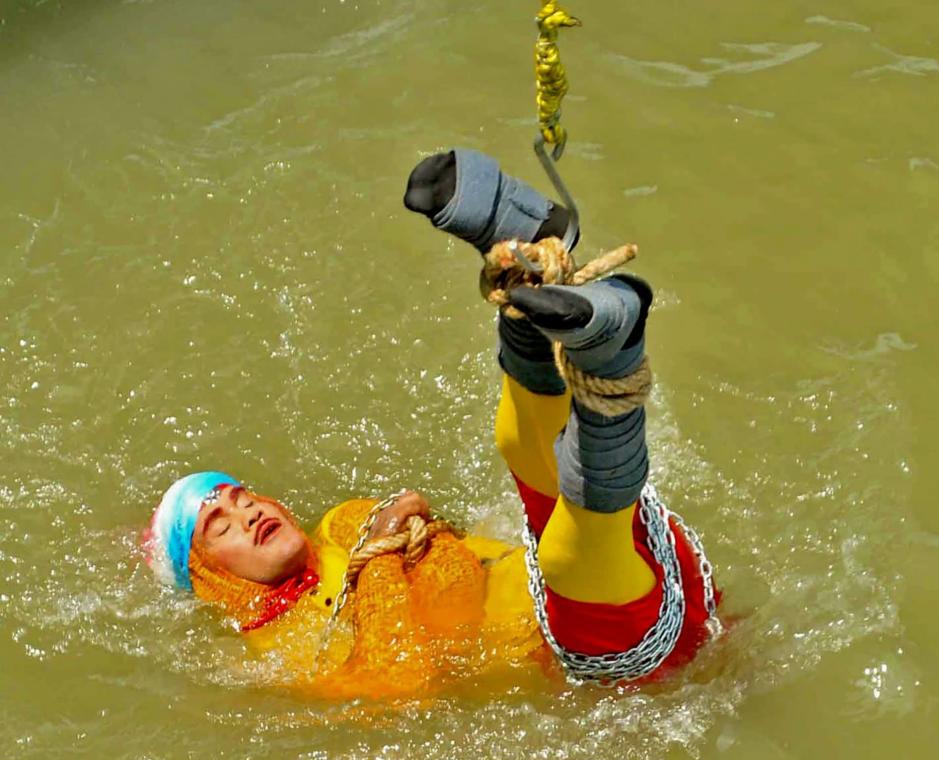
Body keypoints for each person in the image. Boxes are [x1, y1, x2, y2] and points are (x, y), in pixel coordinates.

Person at [143, 148, 720, 698]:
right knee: (567, 558)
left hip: (628, 584)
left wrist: (380, 549)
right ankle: (608, 358)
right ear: (210, 578)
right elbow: (401, 681)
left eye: (241, 498)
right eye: (218, 527)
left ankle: (523, 271)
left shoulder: (344, 526)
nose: (247, 515)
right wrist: (383, 558)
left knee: (522, 454)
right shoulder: (274, 651)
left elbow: (418, 544)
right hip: (630, 658)